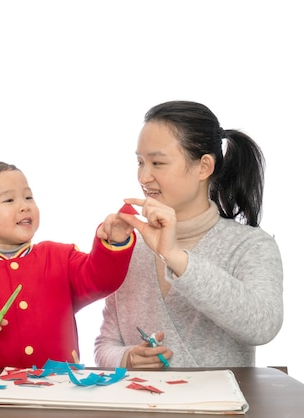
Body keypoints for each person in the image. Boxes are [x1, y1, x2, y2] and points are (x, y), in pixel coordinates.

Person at [94, 101, 283, 369]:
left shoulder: (250, 245)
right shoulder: (131, 246)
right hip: (141, 409)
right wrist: (126, 357)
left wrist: (175, 257)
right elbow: (104, 345)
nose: (144, 176)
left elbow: (264, 325)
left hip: (220, 410)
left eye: (158, 162)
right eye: (140, 162)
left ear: (204, 167)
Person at [0, 155, 135, 369]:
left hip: (57, 386)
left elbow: (101, 279)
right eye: (9, 200)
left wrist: (114, 244)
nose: (24, 206)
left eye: (28, 197)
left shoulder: (60, 256)